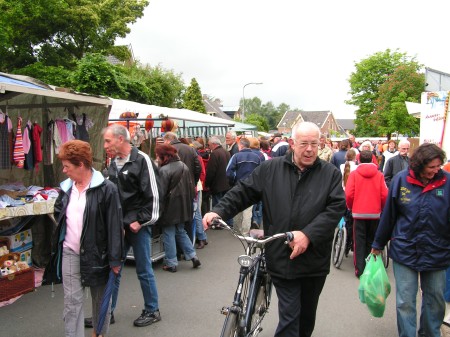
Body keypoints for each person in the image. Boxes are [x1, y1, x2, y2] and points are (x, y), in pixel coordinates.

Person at [203, 121, 346, 337]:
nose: (309, 149)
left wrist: (307, 235)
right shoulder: (270, 168)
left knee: (306, 318)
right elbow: (243, 191)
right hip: (281, 255)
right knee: (290, 317)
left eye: (314, 144)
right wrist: (219, 211)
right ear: (292, 143)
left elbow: (335, 209)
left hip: (314, 259)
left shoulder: (330, 174)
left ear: (321, 144)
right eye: (304, 143)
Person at [43, 140, 124, 337]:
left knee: (100, 302)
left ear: (80, 164)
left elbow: (115, 226)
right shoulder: (66, 188)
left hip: (99, 255)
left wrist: (115, 260)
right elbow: (60, 212)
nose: (63, 170)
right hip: (70, 251)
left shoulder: (107, 189)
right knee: (72, 303)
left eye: (66, 166)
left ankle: (100, 334)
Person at [372, 143, 450, 337]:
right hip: (405, 248)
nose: (436, 170)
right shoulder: (401, 180)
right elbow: (389, 215)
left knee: (435, 300)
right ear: (419, 165)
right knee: (405, 301)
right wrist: (377, 245)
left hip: (437, 250)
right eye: (431, 167)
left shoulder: (447, 182)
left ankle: (430, 333)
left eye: (438, 166)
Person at [102, 124, 162, 327]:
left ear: (121, 139)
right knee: (114, 269)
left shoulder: (142, 160)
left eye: (108, 141)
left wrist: (140, 221)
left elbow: (154, 196)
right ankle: (106, 312)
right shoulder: (113, 163)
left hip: (138, 227)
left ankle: (152, 310)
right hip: (118, 228)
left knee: (144, 269)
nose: (105, 145)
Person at [155, 144, 201, 272]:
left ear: (164, 156)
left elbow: (161, 192)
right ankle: (193, 255)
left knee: (168, 233)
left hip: (170, 207)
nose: (157, 158)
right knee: (181, 231)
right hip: (184, 205)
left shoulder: (164, 170)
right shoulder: (183, 166)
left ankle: (171, 263)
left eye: (158, 156)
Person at [345, 150, 388, 278]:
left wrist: (351, 206)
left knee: (359, 242)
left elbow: (349, 194)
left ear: (359, 160)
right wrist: (381, 207)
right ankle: (371, 268)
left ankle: (360, 270)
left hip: (359, 213)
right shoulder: (379, 175)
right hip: (375, 213)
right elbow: (385, 194)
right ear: (372, 159)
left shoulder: (354, 174)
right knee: (372, 241)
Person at [225, 137, 263, 235]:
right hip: (251, 187)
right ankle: (245, 232)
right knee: (248, 211)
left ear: (240, 145)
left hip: (238, 186)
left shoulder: (236, 156)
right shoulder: (256, 157)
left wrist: (232, 182)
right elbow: (260, 173)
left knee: (236, 208)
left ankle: (237, 231)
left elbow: (229, 172)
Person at [205, 136, 232, 226]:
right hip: (227, 183)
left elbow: (211, 171)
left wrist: (207, 183)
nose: (209, 147)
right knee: (227, 203)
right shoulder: (226, 152)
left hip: (217, 185)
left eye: (209, 145)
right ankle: (229, 222)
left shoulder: (215, 154)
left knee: (218, 205)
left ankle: (219, 223)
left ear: (213, 144)